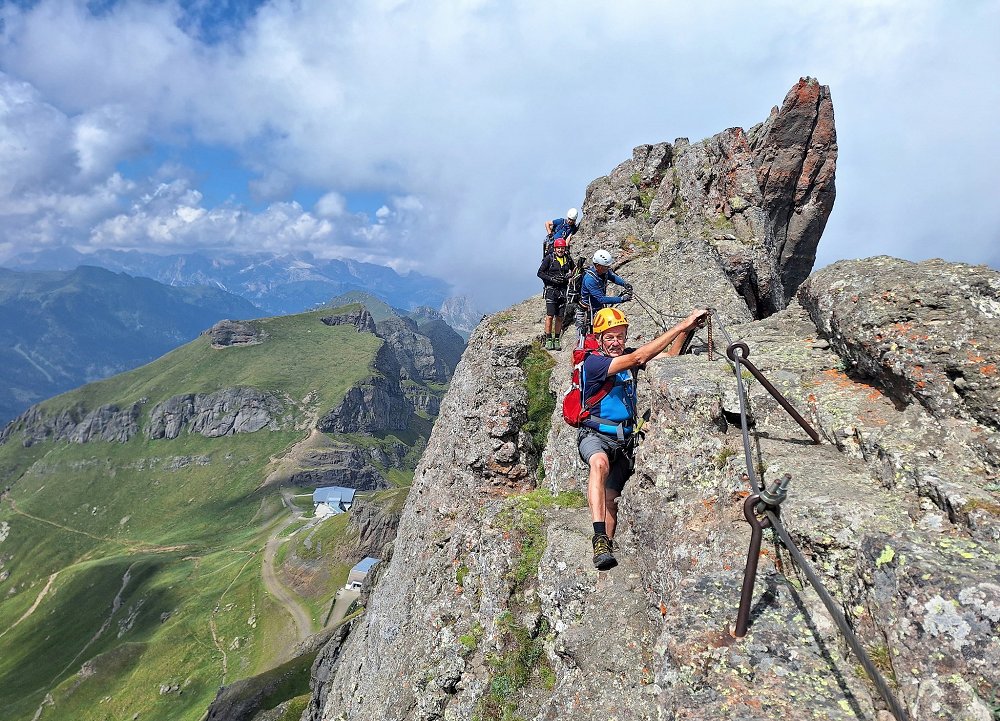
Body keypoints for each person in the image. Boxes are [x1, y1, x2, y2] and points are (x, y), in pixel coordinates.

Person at [579, 306, 709, 570]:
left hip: (625, 441)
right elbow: (639, 358)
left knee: (611, 502)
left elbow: (668, 357)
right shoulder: (594, 363)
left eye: (620, 337)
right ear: (600, 339)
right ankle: (599, 538)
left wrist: (687, 332)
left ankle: (605, 555)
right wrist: (681, 324)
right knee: (599, 464)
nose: (615, 343)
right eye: (609, 337)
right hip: (596, 435)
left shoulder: (625, 357)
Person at [575, 249, 632, 340]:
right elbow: (601, 299)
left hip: (597, 309)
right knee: (583, 338)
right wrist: (621, 299)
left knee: (599, 335)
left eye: (607, 267)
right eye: (605, 267)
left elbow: (613, 277)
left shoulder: (603, 271)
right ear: (597, 266)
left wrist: (624, 284)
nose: (607, 269)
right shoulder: (590, 279)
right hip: (586, 311)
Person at [536, 237, 575, 350]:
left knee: (560, 316)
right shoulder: (549, 258)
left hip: (563, 290)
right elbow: (540, 273)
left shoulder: (568, 258)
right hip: (551, 290)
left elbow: (573, 269)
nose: (560, 250)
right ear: (555, 248)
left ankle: (556, 339)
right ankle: (549, 339)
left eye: (562, 248)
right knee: (549, 316)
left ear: (564, 248)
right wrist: (552, 279)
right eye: (558, 248)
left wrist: (570, 275)